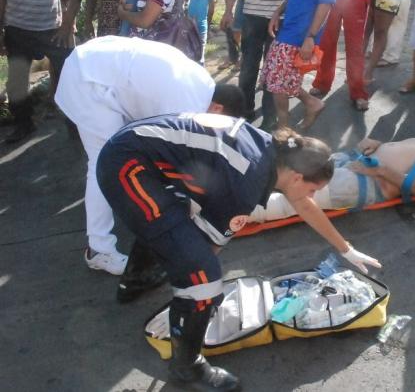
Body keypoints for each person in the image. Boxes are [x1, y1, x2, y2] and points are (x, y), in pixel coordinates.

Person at [96, 116, 381, 390]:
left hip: (133, 152)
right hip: (128, 166)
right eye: (312, 189)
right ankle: (187, 368)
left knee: (177, 229)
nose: (312, 197)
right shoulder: (247, 183)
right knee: (202, 278)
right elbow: (209, 248)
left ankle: (136, 279)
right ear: (296, 178)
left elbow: (303, 205)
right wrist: (203, 298)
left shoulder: (271, 151)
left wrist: (347, 249)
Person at [55, 36, 245, 276]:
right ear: (217, 109)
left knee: (127, 159)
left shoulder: (202, 83)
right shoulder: (187, 105)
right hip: (89, 82)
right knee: (103, 162)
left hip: (96, 64)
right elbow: (173, 161)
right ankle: (98, 249)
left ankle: (116, 227)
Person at [250, 133, 415, 222]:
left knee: (287, 202)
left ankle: (226, 214)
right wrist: (380, 144)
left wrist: (381, 169)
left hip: (367, 182)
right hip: (358, 163)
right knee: (284, 169)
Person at [0, 0, 83, 144]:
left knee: (71, 77)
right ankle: (24, 125)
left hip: (53, 30)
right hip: (17, 30)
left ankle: (78, 126)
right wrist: (1, 31)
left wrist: (67, 24)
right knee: (16, 83)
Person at [219, 0, 301, 128]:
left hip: (283, 18)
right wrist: (229, 9)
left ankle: (270, 118)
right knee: (248, 67)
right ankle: (243, 113)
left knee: (274, 71)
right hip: (253, 14)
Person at [263, 0, 334, 129]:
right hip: (289, 28)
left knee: (277, 83)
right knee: (276, 77)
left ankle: (283, 130)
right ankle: (312, 104)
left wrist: (310, 37)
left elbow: (325, 3)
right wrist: (279, 11)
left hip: (300, 34)